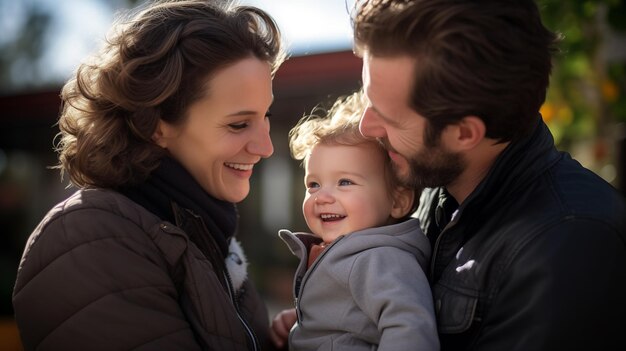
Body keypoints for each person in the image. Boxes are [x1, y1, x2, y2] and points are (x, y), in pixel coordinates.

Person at [351, 0, 626, 350]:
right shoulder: (432, 189)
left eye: (389, 118)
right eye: (367, 98)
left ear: (465, 134)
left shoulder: (567, 248)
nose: (365, 126)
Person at [12, 1, 286, 350]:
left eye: (266, 118)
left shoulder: (208, 240)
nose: (265, 147)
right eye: (238, 124)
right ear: (155, 125)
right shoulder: (92, 236)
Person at [274, 91, 439, 351]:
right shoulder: (349, 252)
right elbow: (348, 321)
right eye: (314, 184)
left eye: (345, 182)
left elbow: (409, 329)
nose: (323, 197)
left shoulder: (380, 259)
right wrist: (303, 320)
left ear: (397, 201)